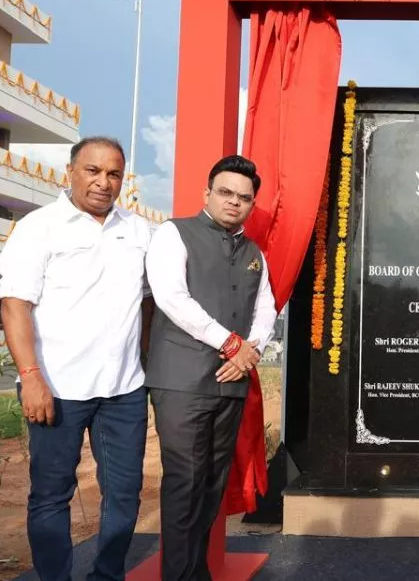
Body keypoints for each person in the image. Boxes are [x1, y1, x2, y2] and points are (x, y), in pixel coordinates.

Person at [0, 137, 153, 581]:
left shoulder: (139, 231)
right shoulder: (39, 227)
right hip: (56, 388)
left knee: (124, 495)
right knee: (51, 495)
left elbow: (148, 302)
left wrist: (146, 362)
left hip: (124, 390)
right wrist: (30, 376)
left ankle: (107, 575)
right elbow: (15, 305)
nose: (104, 182)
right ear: (70, 172)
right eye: (93, 170)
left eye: (114, 174)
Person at [144, 155, 277, 581]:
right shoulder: (173, 233)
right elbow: (172, 298)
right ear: (207, 194)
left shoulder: (254, 252)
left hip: (232, 382)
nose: (234, 202)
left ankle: (195, 572)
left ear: (251, 204)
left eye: (244, 197)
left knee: (211, 484)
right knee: (185, 481)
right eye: (225, 192)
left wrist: (250, 351)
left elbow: (266, 308)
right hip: (182, 381)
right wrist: (232, 344)